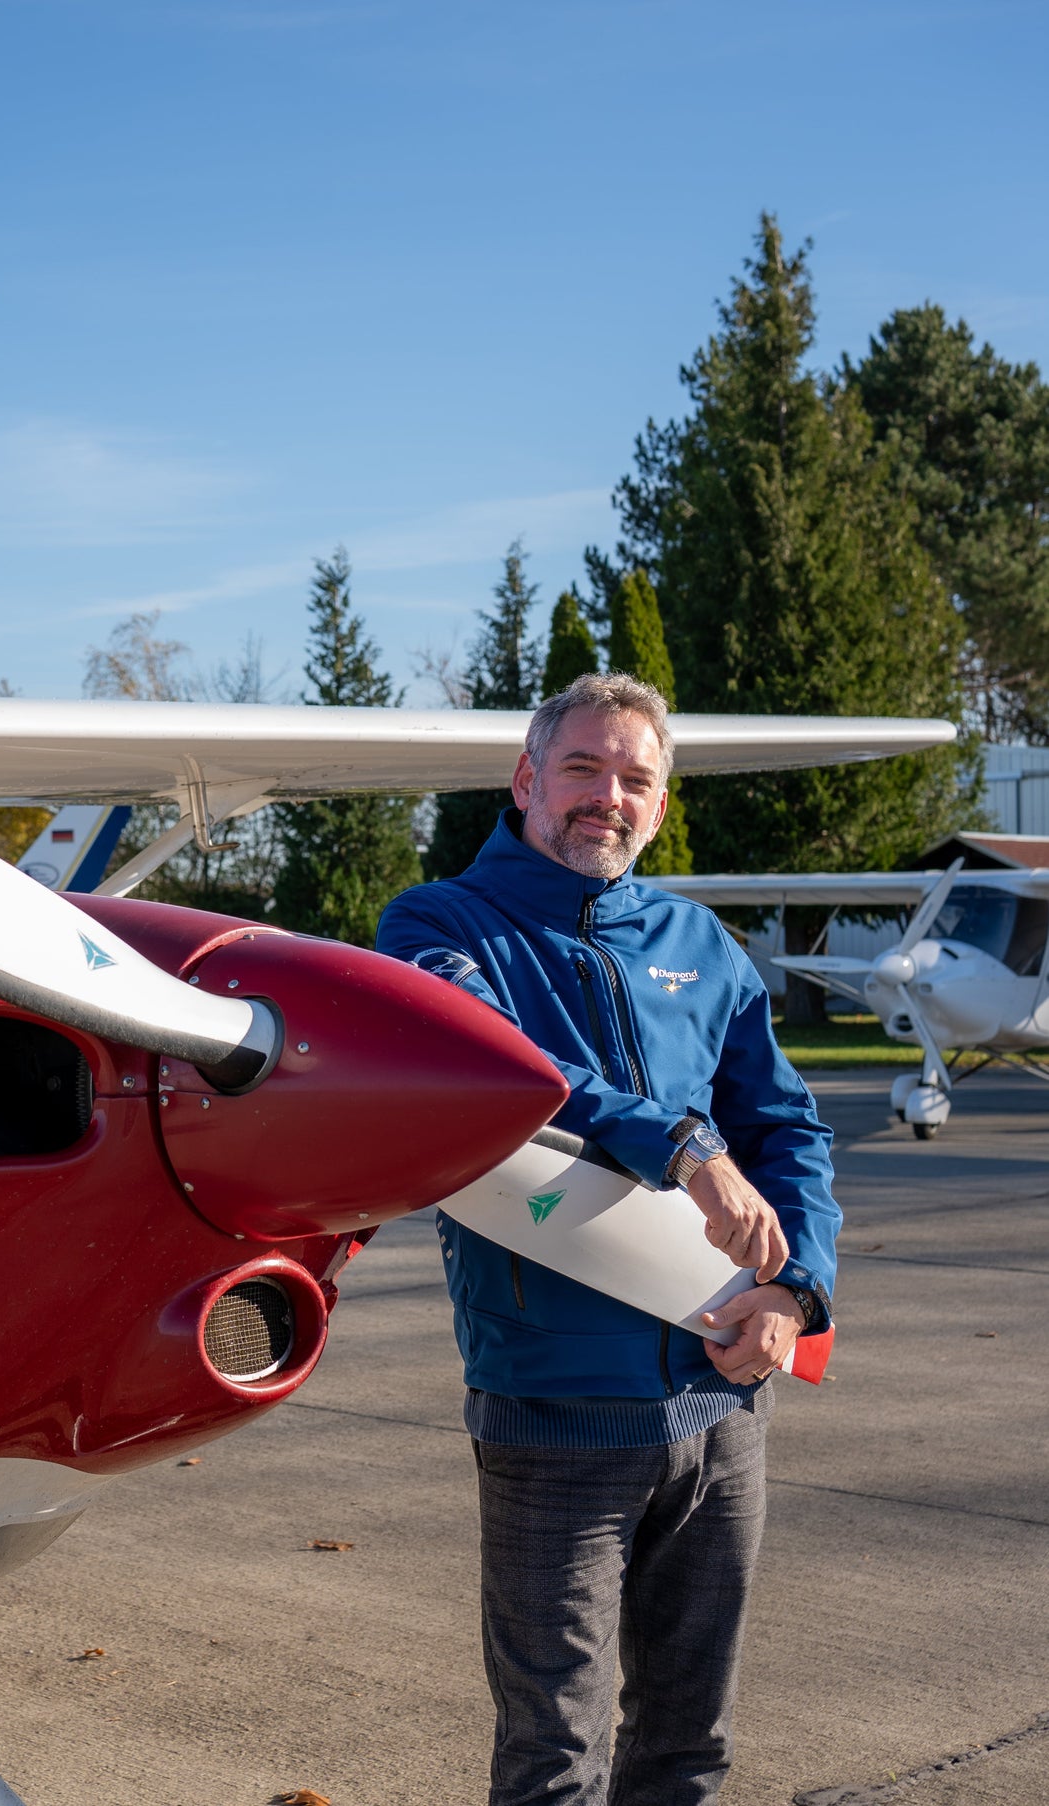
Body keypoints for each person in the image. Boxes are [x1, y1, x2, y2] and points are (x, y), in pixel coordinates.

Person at [375, 672, 839, 1806]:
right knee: (552, 1760)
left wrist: (796, 1298)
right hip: (553, 1412)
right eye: (581, 768)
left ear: (660, 806)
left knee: (688, 1748)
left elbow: (785, 1128)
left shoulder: (701, 945)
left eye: (634, 779)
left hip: (723, 1406)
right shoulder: (436, 925)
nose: (607, 798)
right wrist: (680, 1142)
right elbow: (495, 1068)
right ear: (526, 779)